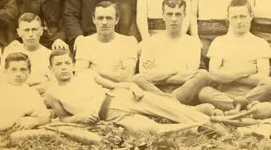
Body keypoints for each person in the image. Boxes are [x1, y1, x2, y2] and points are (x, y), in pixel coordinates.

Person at [42, 43, 217, 138]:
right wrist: (79, 117)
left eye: (67, 63)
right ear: (51, 69)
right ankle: (198, 129)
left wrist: (131, 85)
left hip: (123, 97)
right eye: (58, 64)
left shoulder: (87, 74)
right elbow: (63, 118)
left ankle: (213, 123)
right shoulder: (53, 93)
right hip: (111, 116)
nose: (63, 67)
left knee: (168, 107)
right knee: (152, 131)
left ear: (73, 65)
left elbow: (114, 85)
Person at [195, 0, 271, 115]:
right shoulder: (219, 42)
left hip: (253, 93)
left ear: (251, 16)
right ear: (228, 18)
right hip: (225, 95)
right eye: (234, 17)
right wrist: (244, 72)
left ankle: (233, 110)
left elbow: (262, 77)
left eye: (243, 16)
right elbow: (214, 75)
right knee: (204, 93)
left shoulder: (260, 43)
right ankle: (246, 109)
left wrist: (227, 76)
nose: (239, 21)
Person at [133, 0, 212, 102]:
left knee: (203, 75)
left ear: (184, 16)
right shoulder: (150, 42)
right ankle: (172, 104)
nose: (174, 19)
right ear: (163, 16)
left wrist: (159, 73)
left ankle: (165, 104)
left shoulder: (192, 42)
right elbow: (144, 74)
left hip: (184, 90)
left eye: (178, 14)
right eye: (169, 14)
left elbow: (190, 74)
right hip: (156, 89)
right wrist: (176, 70)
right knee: (137, 79)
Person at [75, 2, 141, 86]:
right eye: (100, 18)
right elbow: (81, 76)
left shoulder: (128, 42)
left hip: (121, 90)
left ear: (116, 20)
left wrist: (94, 71)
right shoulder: (85, 43)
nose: (104, 22)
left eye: (109, 18)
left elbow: (127, 77)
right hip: (93, 90)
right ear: (93, 19)